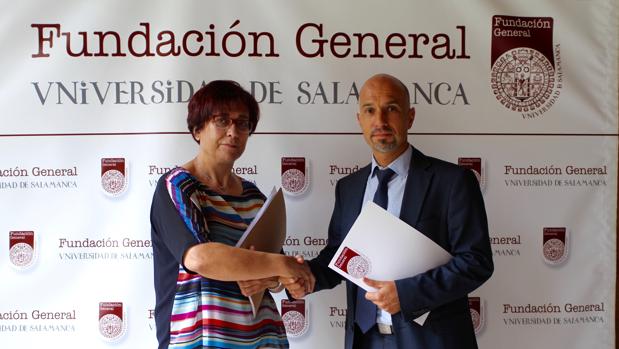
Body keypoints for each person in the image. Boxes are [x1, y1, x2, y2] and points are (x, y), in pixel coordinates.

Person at [283, 74, 494, 349]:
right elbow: (340, 258)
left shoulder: (452, 182)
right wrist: (307, 278)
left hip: (429, 340)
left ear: (410, 117)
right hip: (364, 339)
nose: (380, 121)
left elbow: (476, 262)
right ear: (360, 120)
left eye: (391, 109)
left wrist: (407, 295)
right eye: (370, 110)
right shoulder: (348, 188)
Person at [150, 80, 314, 349]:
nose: (233, 131)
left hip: (263, 337)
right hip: (199, 339)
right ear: (197, 129)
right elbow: (199, 257)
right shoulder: (178, 185)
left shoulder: (254, 196)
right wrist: (279, 265)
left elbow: (274, 270)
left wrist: (275, 276)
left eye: (243, 123)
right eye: (222, 120)